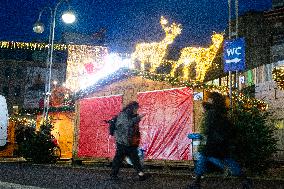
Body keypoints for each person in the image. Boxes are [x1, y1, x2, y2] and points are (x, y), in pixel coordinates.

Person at [187, 92, 251, 189]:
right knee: (224, 159)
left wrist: (204, 134)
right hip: (221, 142)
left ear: (213, 100)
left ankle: (198, 182)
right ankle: (244, 180)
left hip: (213, 142)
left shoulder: (211, 113)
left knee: (205, 157)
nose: (208, 99)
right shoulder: (221, 112)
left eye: (209, 98)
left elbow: (208, 128)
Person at [110, 101, 148, 181]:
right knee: (119, 159)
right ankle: (113, 175)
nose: (137, 110)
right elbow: (127, 124)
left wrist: (137, 117)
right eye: (136, 109)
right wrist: (139, 117)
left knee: (134, 158)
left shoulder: (130, 115)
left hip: (129, 142)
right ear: (133, 108)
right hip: (122, 142)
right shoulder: (123, 115)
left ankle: (141, 174)